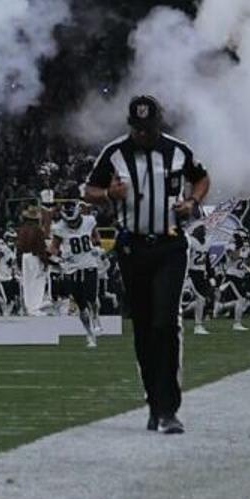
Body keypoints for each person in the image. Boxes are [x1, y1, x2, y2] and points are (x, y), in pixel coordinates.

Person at [82, 94, 207, 433]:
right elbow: (88, 190)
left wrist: (192, 202)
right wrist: (109, 195)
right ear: (131, 127)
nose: (143, 135)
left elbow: (201, 178)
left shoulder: (178, 150)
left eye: (148, 129)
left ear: (158, 125)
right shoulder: (115, 152)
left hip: (169, 244)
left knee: (165, 323)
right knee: (143, 328)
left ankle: (168, 409)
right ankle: (155, 404)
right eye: (137, 129)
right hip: (132, 247)